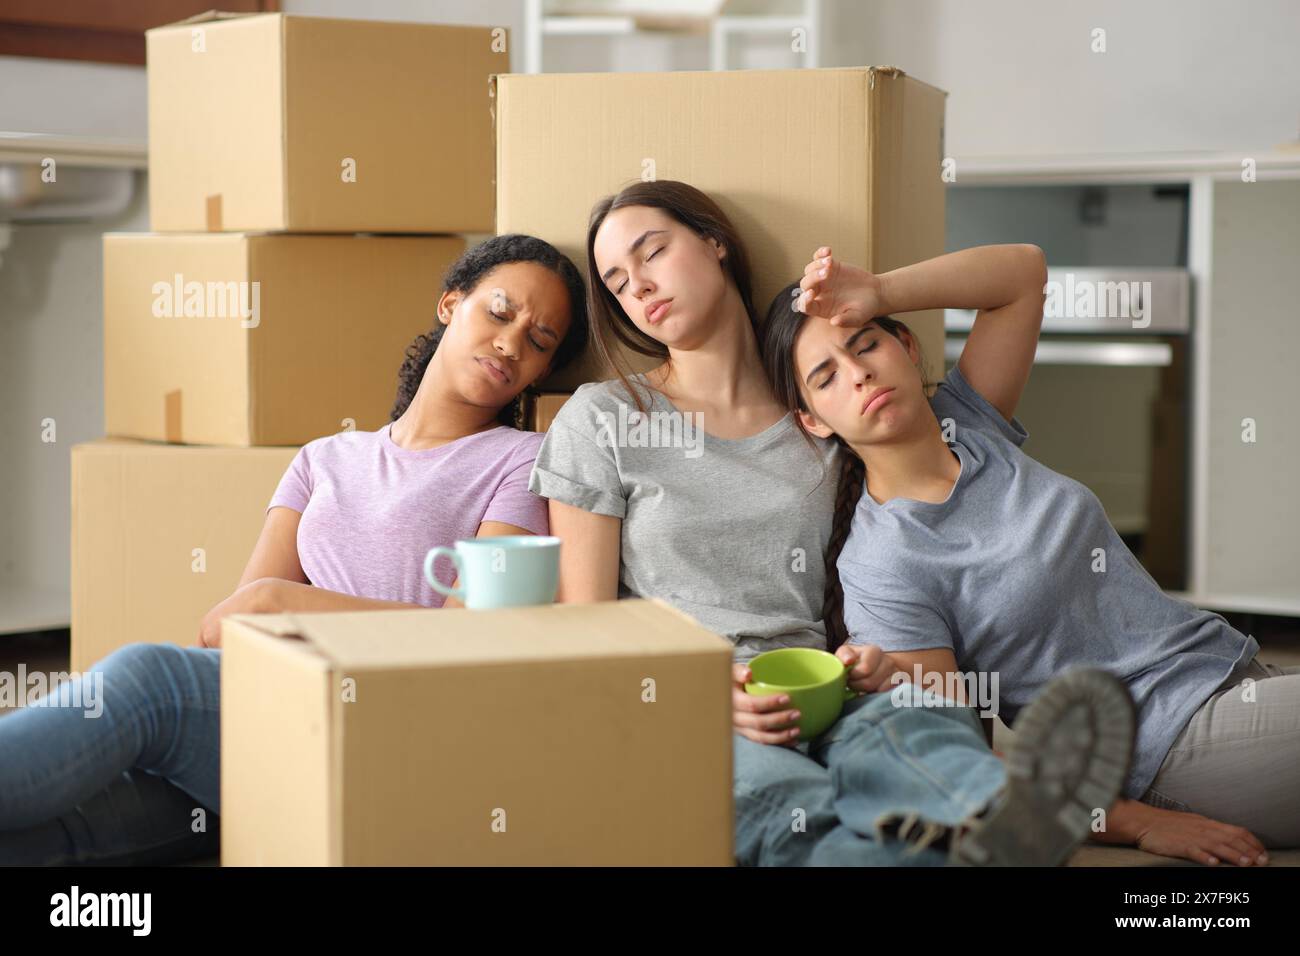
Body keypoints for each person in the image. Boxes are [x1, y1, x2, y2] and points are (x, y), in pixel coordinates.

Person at [528, 179, 1135, 866]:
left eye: (652, 252)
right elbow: (586, 625)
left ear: (715, 242)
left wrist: (877, 295)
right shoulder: (604, 417)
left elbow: (1019, 276)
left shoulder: (831, 401)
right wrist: (693, 692)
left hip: (833, 690)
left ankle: (995, 818)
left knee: (927, 730)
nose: (637, 286)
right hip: (697, 712)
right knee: (800, 813)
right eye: (615, 281)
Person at [0, 235, 588, 865]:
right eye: (500, 313)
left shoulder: (520, 462)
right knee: (49, 836)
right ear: (450, 304)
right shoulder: (324, 458)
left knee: (150, 680)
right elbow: (229, 628)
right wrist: (270, 607)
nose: (511, 343)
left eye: (539, 341)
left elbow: (470, 637)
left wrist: (286, 601)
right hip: (273, 706)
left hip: (383, 729)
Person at [758, 241, 1294, 863]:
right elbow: (953, 757)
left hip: (1233, 666)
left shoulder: (970, 423)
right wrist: (1138, 823)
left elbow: (1023, 273)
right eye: (825, 377)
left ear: (905, 346)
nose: (857, 373)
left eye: (866, 343)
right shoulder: (882, 564)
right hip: (1167, 747)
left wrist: (877, 291)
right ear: (814, 421)